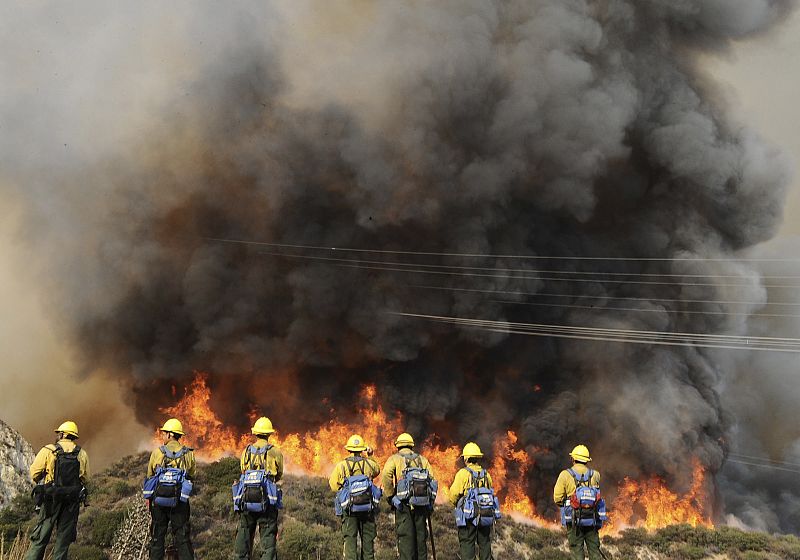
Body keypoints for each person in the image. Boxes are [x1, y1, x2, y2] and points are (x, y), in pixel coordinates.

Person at [25, 421, 90, 560]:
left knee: (40, 538)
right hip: (71, 504)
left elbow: (34, 474)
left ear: (63, 434)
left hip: (51, 501)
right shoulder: (82, 454)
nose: (58, 435)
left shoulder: (49, 450)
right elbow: (85, 479)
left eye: (59, 433)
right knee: (63, 543)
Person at [234, 417, 284, 560]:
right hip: (267, 501)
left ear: (255, 433)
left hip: (247, 499)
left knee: (243, 534)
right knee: (268, 539)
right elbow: (279, 473)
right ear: (269, 434)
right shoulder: (275, 452)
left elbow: (243, 471)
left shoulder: (247, 451)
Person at [147, 418, 196, 560]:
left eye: (164, 433)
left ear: (170, 435)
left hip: (159, 502)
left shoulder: (157, 453)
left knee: (157, 538)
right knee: (183, 538)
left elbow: (150, 476)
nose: (163, 436)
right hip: (180, 502)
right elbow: (192, 475)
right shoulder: (188, 454)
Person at [382, 432, 435, 560]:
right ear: (411, 446)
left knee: (406, 539)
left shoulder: (394, 459)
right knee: (421, 539)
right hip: (421, 504)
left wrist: (391, 497)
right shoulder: (423, 460)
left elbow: (386, 476)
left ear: (398, 446)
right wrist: (430, 502)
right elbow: (432, 481)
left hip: (403, 505)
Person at [329, 434, 381, 560]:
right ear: (362, 449)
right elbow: (377, 470)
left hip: (349, 509)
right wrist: (370, 455)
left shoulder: (342, 465)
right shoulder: (368, 464)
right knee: (368, 543)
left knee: (350, 542)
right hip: (367, 509)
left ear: (349, 449)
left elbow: (333, 485)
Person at [553, 444, 602, 560]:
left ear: (573, 458)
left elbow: (557, 498)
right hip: (592, 520)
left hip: (574, 522)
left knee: (577, 553)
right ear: (587, 460)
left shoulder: (565, 475)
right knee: (595, 552)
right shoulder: (595, 475)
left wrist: (568, 504)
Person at [449, 442, 495, 560]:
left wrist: (456, 505)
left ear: (466, 458)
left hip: (468, 516)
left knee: (467, 543)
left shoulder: (463, 474)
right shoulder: (486, 475)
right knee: (485, 542)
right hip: (485, 515)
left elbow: (453, 494)